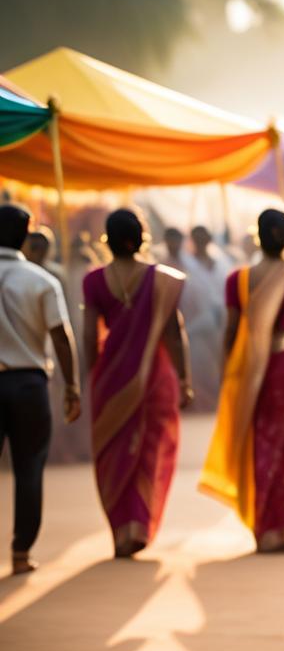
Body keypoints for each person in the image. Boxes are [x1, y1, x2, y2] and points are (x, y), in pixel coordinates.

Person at [200, 209, 284, 553]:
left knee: (262, 442)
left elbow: (230, 332)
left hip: (252, 368)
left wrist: (227, 376)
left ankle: (266, 527)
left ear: (257, 236)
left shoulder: (239, 279)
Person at [82, 209, 192, 558]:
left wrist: (90, 375)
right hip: (154, 374)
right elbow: (174, 334)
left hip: (111, 375)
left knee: (113, 450)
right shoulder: (161, 279)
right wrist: (185, 378)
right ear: (143, 238)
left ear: (107, 241)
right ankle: (139, 524)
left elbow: (88, 335)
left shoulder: (94, 280)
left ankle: (121, 529)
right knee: (149, 448)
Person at [0, 204, 80, 574]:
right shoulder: (42, 280)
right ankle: (21, 553)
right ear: (26, 236)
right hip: (29, 383)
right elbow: (61, 337)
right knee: (29, 468)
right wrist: (72, 387)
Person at [181, 224, 233, 411]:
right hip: (197, 324)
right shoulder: (187, 264)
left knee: (222, 359)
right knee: (199, 364)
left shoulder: (222, 262)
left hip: (223, 320)